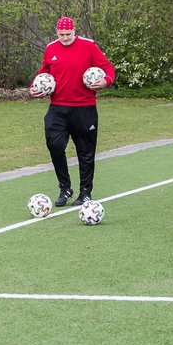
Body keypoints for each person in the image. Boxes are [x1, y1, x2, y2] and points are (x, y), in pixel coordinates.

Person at [30, 16, 116, 206]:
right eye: (61, 35)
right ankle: (65, 188)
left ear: (74, 31)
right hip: (58, 108)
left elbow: (107, 67)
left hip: (84, 108)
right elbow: (43, 74)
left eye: (68, 34)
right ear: (56, 32)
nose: (65, 38)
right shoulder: (51, 49)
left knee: (85, 152)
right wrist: (34, 87)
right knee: (55, 145)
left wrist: (106, 80)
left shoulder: (89, 46)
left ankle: (85, 192)